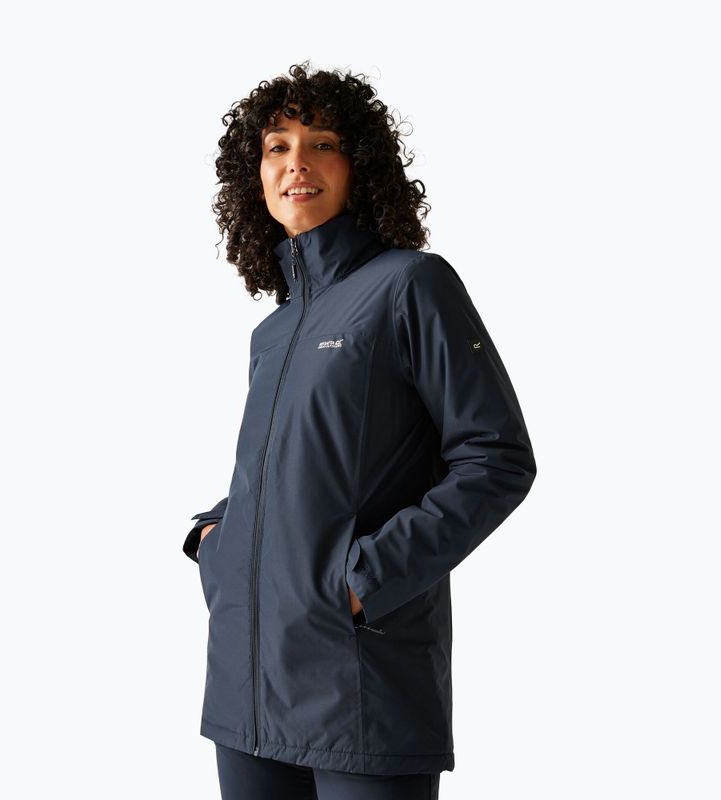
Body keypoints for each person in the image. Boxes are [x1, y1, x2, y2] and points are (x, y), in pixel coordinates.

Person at [183, 61, 537, 800]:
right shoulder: (274, 331)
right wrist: (216, 539)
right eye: (277, 147)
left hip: (360, 684)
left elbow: (496, 458)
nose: (297, 164)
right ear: (255, 176)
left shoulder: (411, 284)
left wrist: (366, 580)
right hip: (246, 685)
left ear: (360, 167)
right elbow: (288, 470)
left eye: (323, 144)